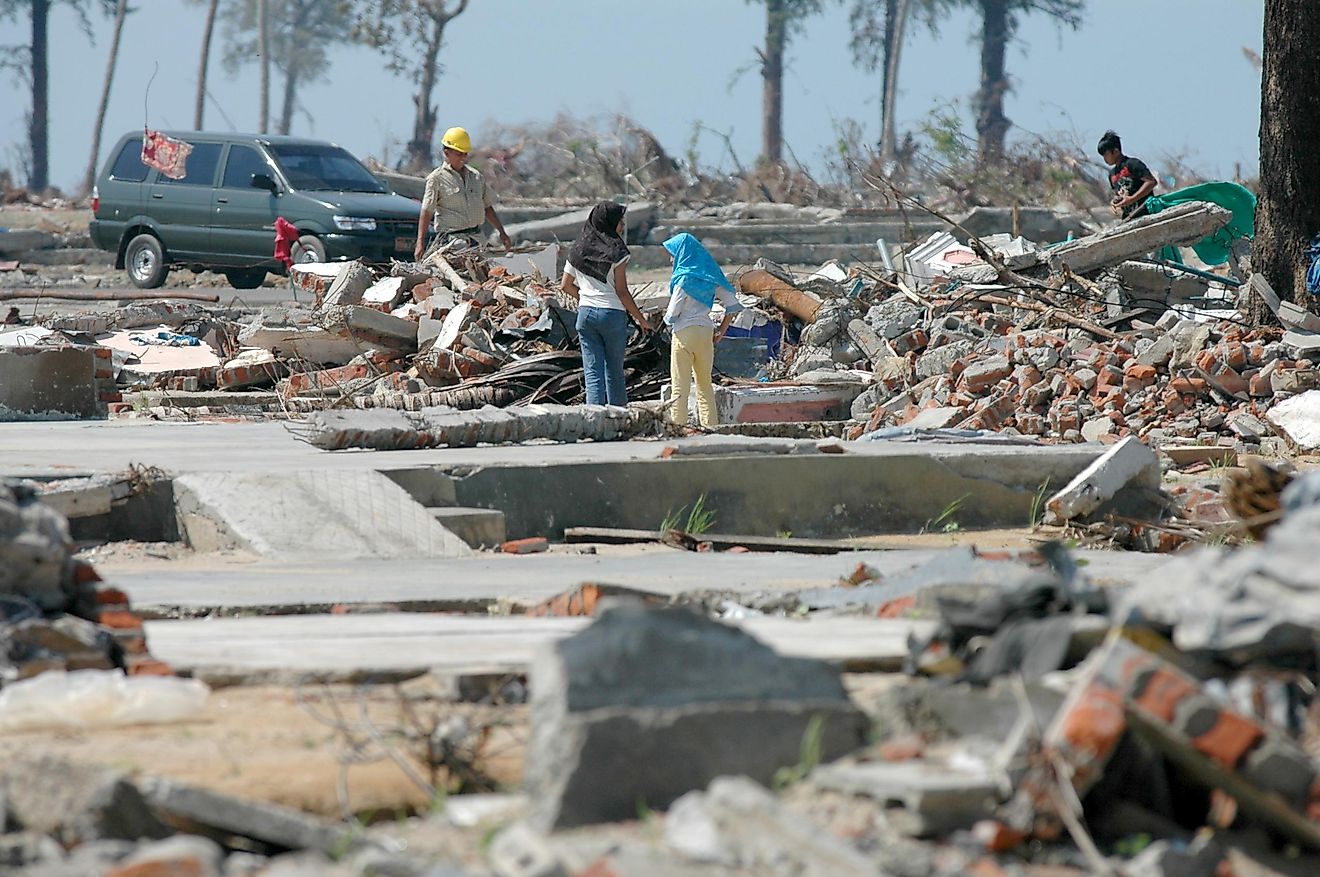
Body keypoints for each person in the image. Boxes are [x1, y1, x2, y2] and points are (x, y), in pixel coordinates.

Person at [561, 202, 651, 406]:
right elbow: (622, 292)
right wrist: (642, 320)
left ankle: (595, 421)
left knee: (593, 373)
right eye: (620, 221)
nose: (623, 226)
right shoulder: (617, 251)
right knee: (614, 372)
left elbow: (565, 285)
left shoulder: (578, 249)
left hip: (585, 315)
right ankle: (619, 421)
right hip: (612, 315)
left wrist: (585, 299)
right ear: (609, 222)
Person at [662, 232, 742, 427]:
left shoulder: (683, 279)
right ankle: (710, 427)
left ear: (683, 254)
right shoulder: (710, 276)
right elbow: (733, 305)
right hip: (706, 333)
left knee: (679, 386)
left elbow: (672, 314)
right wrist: (721, 331)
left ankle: (678, 428)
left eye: (673, 254)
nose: (672, 259)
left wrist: (666, 321)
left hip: (684, 333)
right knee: (704, 385)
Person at [414, 126, 512, 260]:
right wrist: (420, 242)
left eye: (465, 154)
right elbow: (427, 211)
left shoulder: (476, 177)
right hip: (452, 243)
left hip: (477, 239)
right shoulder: (436, 179)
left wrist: (502, 232)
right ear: (446, 152)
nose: (463, 158)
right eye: (459, 154)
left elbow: (487, 207)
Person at [1098, 130, 1157, 220]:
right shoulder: (1112, 175)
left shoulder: (1132, 164)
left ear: (1116, 151)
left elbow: (1151, 182)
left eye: (1106, 154)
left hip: (1147, 212)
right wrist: (1114, 201)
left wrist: (1132, 198)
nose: (1105, 159)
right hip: (1129, 218)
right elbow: (1118, 194)